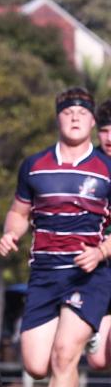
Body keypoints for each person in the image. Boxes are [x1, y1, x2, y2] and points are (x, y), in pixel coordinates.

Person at [0, 87, 111, 387]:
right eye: (68, 111)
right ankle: (90, 332)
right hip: (44, 274)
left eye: (83, 112)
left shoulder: (107, 167)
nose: (75, 117)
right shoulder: (35, 165)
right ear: (57, 118)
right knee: (35, 364)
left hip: (90, 274)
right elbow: (19, 211)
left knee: (65, 355)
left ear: (93, 121)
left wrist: (101, 251)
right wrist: (11, 232)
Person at [86, 98, 111, 373]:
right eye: (104, 130)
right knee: (98, 360)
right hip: (95, 268)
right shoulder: (89, 165)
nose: (109, 137)